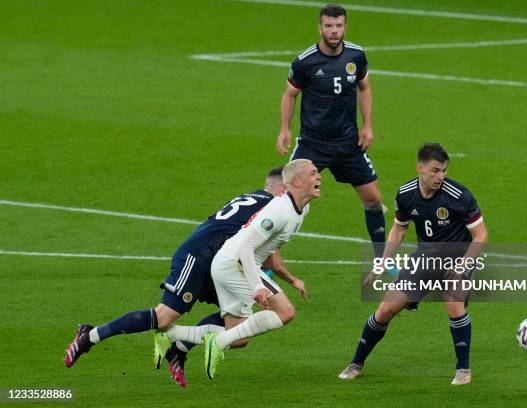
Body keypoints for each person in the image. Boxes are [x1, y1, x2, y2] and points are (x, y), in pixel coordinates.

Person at [64, 167, 307, 387]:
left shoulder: (253, 198)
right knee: (164, 317)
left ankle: (179, 348)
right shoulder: (272, 207)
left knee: (240, 332)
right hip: (199, 256)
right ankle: (90, 335)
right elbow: (271, 258)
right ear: (283, 187)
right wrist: (291, 280)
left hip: (222, 261)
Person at [339, 143, 488, 385]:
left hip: (458, 257)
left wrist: (462, 266)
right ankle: (356, 363)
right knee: (385, 310)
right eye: (435, 171)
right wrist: (382, 263)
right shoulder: (406, 194)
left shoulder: (459, 196)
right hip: (425, 258)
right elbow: (399, 229)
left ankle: (463, 370)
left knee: (454, 304)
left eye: (444, 171)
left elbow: (480, 235)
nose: (441, 176)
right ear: (420, 168)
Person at [159, 159, 321, 379]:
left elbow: (267, 252)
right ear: (295, 181)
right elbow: (246, 247)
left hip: (237, 263)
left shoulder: (301, 208)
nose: (319, 177)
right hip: (234, 264)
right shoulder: (278, 210)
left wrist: (288, 279)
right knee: (285, 312)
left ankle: (172, 334)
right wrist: (257, 285)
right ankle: (214, 342)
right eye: (313, 173)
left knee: (240, 337)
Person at [276, 3, 386, 258]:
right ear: (320, 28)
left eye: (338, 26)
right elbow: (290, 94)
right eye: (329, 26)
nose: (334, 31)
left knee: (373, 199)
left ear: (345, 27)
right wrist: (284, 129)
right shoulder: (305, 61)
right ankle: (268, 259)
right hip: (313, 143)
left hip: (348, 142)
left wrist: (368, 125)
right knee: (286, 201)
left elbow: (365, 87)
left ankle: (381, 260)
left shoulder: (356, 56)